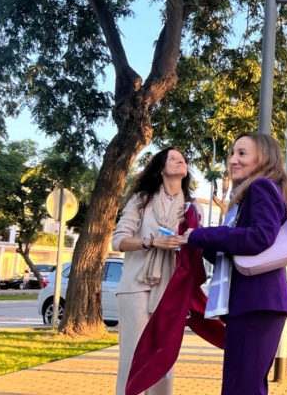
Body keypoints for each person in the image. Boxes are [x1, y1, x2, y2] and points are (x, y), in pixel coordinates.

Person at [178, 132, 287, 395]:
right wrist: (194, 238)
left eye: (242, 153)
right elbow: (234, 254)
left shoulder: (261, 187)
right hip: (253, 303)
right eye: (232, 153)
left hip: (258, 303)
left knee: (242, 387)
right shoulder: (249, 194)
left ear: (264, 158)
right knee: (240, 386)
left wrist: (202, 235)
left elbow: (260, 237)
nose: (233, 160)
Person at [111, 147, 197, 395]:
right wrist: (151, 241)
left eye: (182, 158)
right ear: (161, 169)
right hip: (136, 285)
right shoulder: (142, 200)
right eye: (172, 158)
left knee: (164, 358)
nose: (179, 160)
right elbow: (118, 241)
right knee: (133, 357)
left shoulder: (191, 208)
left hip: (171, 289)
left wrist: (189, 242)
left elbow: (196, 253)